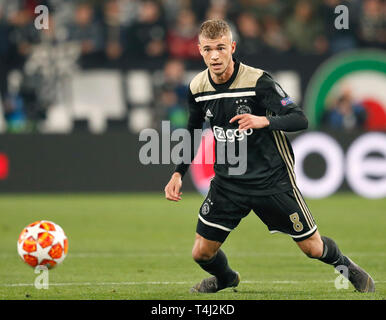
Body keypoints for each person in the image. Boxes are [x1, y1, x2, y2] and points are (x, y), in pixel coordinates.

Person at [164, 19, 375, 294]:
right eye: (207, 49)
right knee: (201, 253)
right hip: (229, 182)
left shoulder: (257, 81)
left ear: (232, 47)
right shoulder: (197, 88)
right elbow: (193, 130)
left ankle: (346, 265)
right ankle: (226, 278)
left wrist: (264, 121)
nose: (214, 56)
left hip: (271, 179)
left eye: (220, 48)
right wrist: (178, 172)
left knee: (313, 248)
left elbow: (299, 119)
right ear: (199, 50)